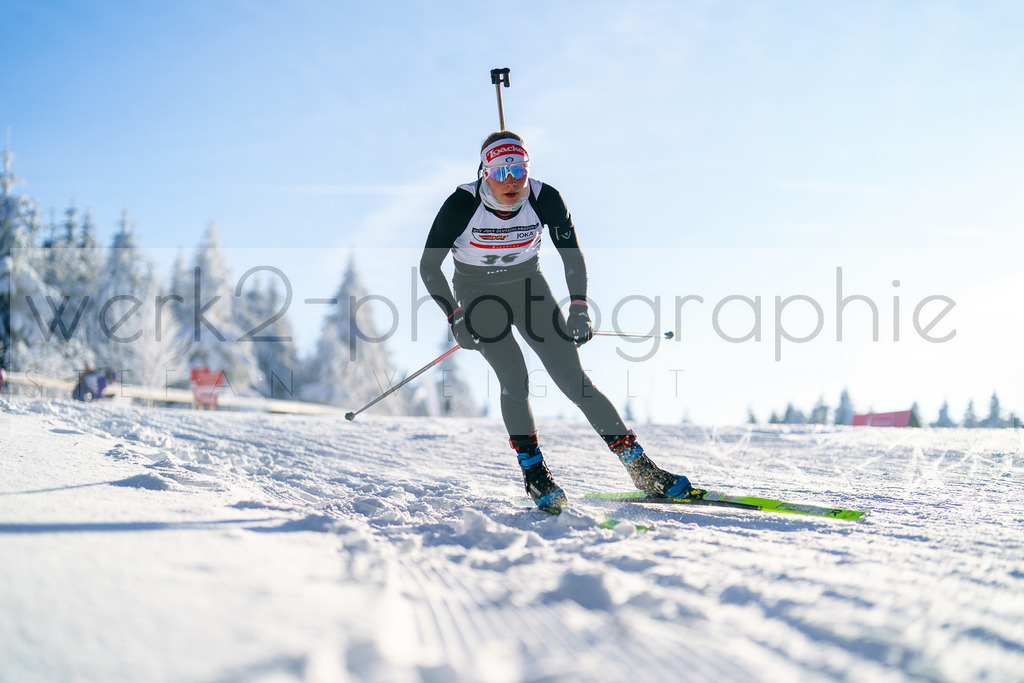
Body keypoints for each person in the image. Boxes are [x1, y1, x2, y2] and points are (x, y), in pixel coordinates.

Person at [419, 131, 693, 511]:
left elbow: (572, 255)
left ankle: (642, 469)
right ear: (484, 173)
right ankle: (534, 473)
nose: (511, 180)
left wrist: (579, 306)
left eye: (519, 169)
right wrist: (455, 315)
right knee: (515, 377)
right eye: (500, 171)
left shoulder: (545, 198)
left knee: (575, 382)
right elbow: (428, 266)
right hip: (477, 293)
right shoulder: (460, 205)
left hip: (528, 286)